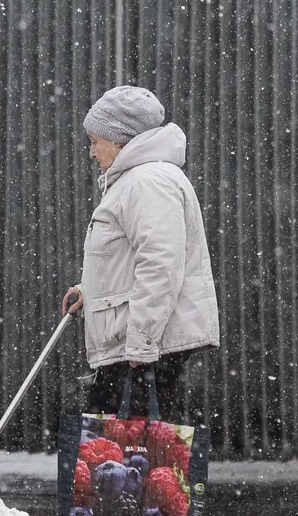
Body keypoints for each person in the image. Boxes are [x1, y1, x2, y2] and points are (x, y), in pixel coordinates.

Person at [62, 85, 220, 418]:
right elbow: (126, 261)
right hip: (133, 343)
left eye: (94, 141)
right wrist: (88, 292)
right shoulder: (138, 179)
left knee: (127, 439)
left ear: (119, 140)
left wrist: (142, 340)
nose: (91, 153)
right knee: (118, 438)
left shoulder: (148, 182)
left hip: (142, 348)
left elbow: (161, 265)